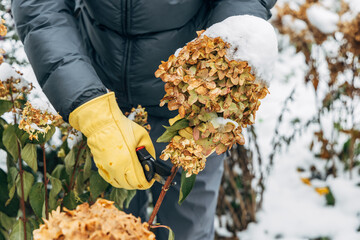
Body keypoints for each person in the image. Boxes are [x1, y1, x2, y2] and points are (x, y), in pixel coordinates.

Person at [11, 0, 276, 239]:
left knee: (188, 230)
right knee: (109, 227)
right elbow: (40, 7)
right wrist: (92, 110)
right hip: (101, 89)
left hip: (192, 107)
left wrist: (221, 72)